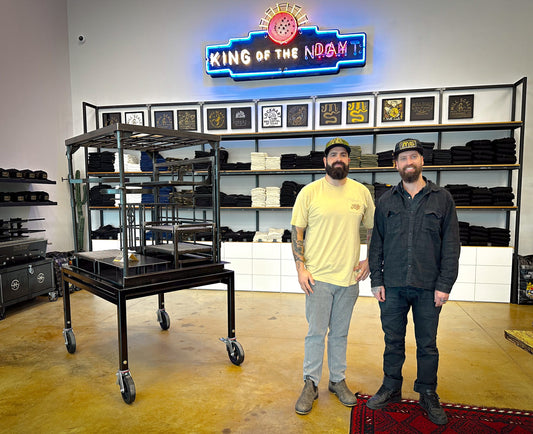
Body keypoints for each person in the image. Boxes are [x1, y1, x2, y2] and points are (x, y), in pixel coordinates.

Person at [367, 138, 460, 425]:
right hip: (392, 285)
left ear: (422, 161)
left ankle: (427, 392)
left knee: (427, 344)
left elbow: (451, 246)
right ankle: (391, 386)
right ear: (396, 165)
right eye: (403, 158)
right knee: (392, 340)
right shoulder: (385, 201)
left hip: (428, 286)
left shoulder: (442, 198)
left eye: (413, 157)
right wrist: (376, 279)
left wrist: (444, 285)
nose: (408, 162)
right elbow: (376, 244)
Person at [291, 137, 375, 415]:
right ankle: (310, 383)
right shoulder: (310, 192)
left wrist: (370, 259)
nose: (338, 159)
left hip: (349, 279)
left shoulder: (361, 192)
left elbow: (374, 228)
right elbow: (297, 232)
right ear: (325, 161)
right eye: (333, 155)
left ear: (349, 160)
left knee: (340, 334)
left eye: (343, 154)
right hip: (318, 279)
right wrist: (300, 268)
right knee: (316, 333)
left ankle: (337, 380)